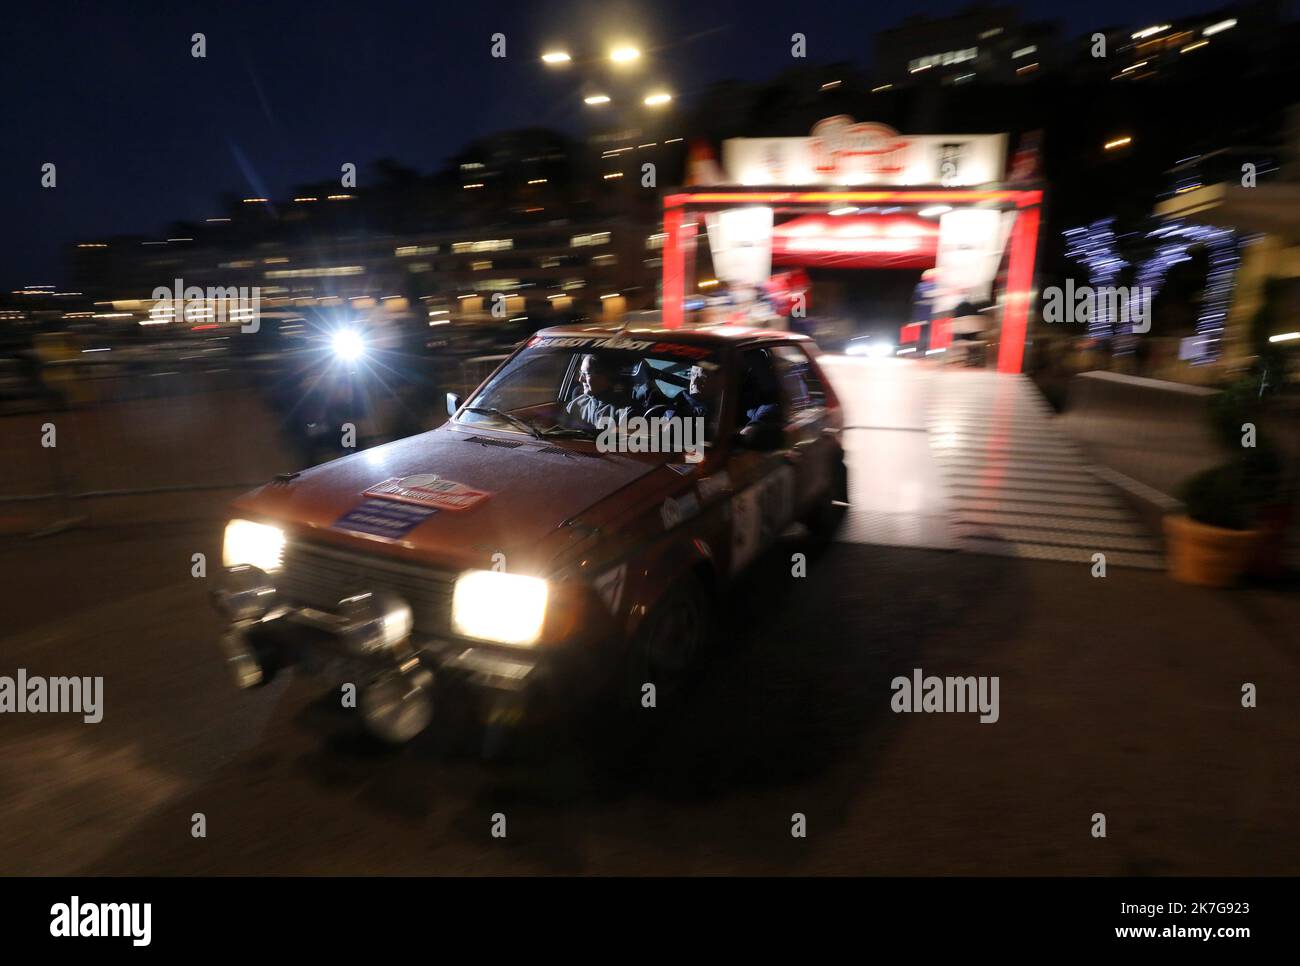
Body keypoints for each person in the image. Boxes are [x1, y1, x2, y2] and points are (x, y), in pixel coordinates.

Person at [565, 353, 634, 428]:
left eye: (586, 374)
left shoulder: (625, 413)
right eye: (581, 373)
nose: (580, 379)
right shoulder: (574, 405)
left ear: (606, 375)